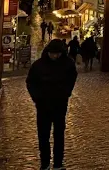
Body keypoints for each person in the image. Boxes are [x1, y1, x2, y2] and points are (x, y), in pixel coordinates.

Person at [27, 39, 77, 170]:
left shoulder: (68, 64)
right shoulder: (38, 65)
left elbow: (72, 78)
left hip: (60, 104)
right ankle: (45, 163)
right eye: (52, 53)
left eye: (57, 53)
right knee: (43, 135)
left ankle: (58, 164)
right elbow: (31, 82)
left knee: (59, 135)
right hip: (43, 105)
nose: (54, 56)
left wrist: (66, 92)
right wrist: (37, 97)